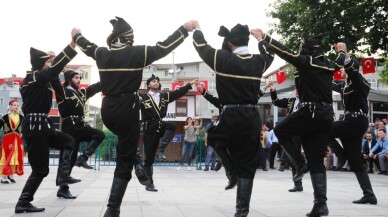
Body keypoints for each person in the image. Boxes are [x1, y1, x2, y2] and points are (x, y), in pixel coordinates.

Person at [71, 17, 196, 217]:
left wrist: (76, 34)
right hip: (127, 108)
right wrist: (184, 29)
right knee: (124, 160)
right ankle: (113, 209)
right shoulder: (137, 53)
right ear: (128, 38)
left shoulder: (102, 53)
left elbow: (86, 45)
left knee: (126, 143)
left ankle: (137, 161)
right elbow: (164, 47)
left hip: (107, 109)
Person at [193, 22, 274, 217]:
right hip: (251, 116)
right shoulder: (259, 61)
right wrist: (262, 39)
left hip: (230, 114)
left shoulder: (222, 58)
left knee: (212, 137)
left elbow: (200, 46)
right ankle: (241, 212)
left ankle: (230, 171)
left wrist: (197, 29)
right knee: (247, 165)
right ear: (247, 41)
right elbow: (270, 52)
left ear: (229, 43)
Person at [262, 30, 346, 216]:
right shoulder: (330, 64)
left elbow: (285, 52)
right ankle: (320, 204)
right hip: (326, 115)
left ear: (306, 50)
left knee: (280, 130)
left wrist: (265, 38)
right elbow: (340, 60)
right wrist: (342, 50)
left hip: (311, 111)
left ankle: (299, 164)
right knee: (316, 160)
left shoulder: (307, 62)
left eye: (301, 48)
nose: (299, 51)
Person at [16, 41, 81, 213]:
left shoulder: (41, 78)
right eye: (48, 62)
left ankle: (63, 176)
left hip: (44, 126)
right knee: (41, 169)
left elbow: (54, 79)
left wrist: (52, 64)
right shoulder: (33, 78)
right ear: (41, 65)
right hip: (35, 126)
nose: (50, 65)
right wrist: (72, 45)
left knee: (68, 140)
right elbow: (52, 72)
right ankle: (23, 201)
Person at [50, 69, 105, 199]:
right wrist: (54, 66)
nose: (79, 80)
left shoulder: (81, 93)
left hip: (81, 125)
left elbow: (96, 87)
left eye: (79, 78)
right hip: (69, 126)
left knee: (99, 135)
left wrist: (110, 75)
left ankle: (83, 158)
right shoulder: (62, 92)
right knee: (69, 157)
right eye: (76, 78)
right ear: (69, 79)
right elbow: (54, 80)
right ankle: (63, 189)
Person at [330, 58, 377, 205]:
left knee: (322, 128)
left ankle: (340, 154)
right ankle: (369, 195)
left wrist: (346, 56)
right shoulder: (346, 85)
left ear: (351, 68)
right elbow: (328, 82)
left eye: (343, 68)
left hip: (356, 122)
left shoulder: (359, 81)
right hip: (350, 123)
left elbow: (353, 72)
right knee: (355, 161)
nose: (341, 70)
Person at [139, 74, 197, 192]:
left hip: (160, 125)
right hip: (149, 127)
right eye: (154, 81)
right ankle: (149, 183)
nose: (156, 82)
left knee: (171, 125)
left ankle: (161, 150)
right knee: (149, 158)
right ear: (148, 84)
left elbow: (178, 93)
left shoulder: (164, 96)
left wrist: (190, 84)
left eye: (157, 81)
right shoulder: (142, 97)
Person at [268, 81, 304, 193]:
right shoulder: (291, 101)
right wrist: (273, 91)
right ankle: (297, 183)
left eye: (299, 90)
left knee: (296, 156)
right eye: (296, 90)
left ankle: (283, 162)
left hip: (301, 132)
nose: (297, 92)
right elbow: (276, 102)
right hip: (291, 131)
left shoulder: (306, 102)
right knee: (295, 157)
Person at [0, 99, 24, 184]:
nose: (16, 107)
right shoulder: (5, 117)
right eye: (14, 105)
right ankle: (3, 176)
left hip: (17, 140)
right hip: (7, 139)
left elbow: (23, 129)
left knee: (15, 157)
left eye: (17, 105)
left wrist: (22, 133)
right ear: (10, 106)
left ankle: (11, 175)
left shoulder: (21, 117)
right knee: (6, 157)